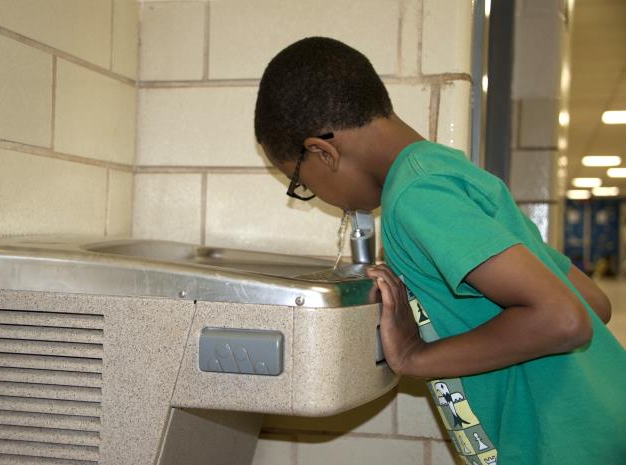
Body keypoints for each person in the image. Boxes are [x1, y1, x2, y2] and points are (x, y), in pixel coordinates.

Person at [254, 37, 625, 465]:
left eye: (300, 181)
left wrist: (415, 355)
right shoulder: (449, 172)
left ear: (322, 151)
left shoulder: (415, 196)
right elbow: (594, 303)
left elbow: (565, 320)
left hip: (565, 448)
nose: (316, 195)